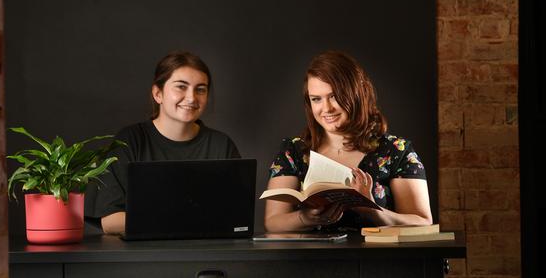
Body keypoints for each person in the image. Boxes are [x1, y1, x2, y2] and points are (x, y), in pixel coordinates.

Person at [264, 50, 432, 232]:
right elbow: (273, 222)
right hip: (311, 259)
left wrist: (374, 211)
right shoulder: (294, 150)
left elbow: (422, 221)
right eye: (316, 99)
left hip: (377, 259)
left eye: (334, 96)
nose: (326, 108)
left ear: (357, 94)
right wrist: (305, 217)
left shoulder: (396, 150)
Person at [86, 51, 241, 234]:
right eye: (181, 87)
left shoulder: (222, 145)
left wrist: (157, 217)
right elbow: (111, 221)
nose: (192, 98)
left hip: (206, 256)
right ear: (158, 94)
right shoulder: (129, 141)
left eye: (200, 89)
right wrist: (189, 218)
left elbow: (237, 217)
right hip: (144, 257)